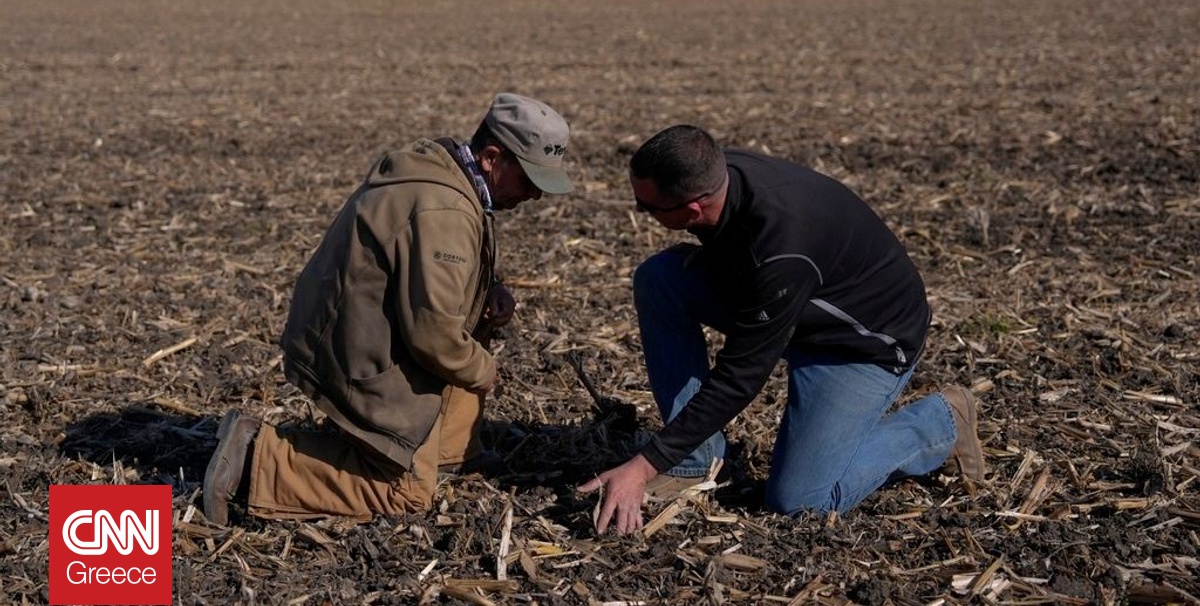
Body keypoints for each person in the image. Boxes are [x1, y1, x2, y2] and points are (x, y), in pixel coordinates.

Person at [578, 125, 984, 535]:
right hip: (795, 301)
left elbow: (740, 376)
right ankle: (693, 460)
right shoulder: (720, 173)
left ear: (693, 209)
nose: (638, 210)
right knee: (660, 278)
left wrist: (644, 465)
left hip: (861, 343)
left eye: (647, 207)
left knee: (799, 501)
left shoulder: (783, 248)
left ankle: (939, 423)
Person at [203, 93, 574, 525]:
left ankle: (450, 454)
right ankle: (255, 458)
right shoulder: (445, 208)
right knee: (407, 495)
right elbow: (433, 333)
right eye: (530, 179)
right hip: (355, 352)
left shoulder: (449, 173)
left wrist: (490, 285)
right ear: (493, 157)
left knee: (470, 334)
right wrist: (484, 369)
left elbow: (433, 273)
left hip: (358, 327)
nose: (535, 195)